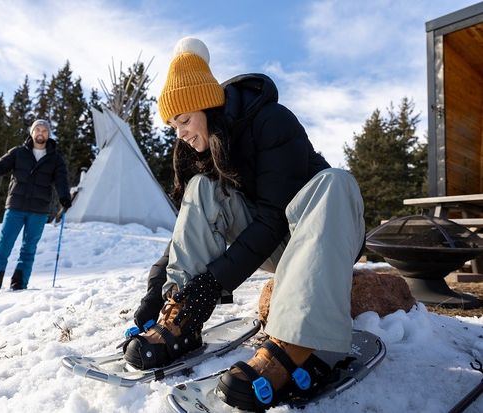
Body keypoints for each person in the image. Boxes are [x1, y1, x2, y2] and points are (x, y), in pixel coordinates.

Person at [122, 38, 365, 410]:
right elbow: (188, 229)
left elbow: (271, 218)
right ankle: (181, 320)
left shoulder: (272, 121)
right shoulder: (206, 147)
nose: (180, 133)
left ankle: (299, 341)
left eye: (184, 120)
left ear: (206, 105)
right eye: (173, 126)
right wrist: (158, 293)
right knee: (203, 187)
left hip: (321, 235)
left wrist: (213, 282)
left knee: (335, 181)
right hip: (275, 248)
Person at [0, 119, 72, 294]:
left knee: (28, 249)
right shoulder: (18, 153)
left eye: (44, 130)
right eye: (37, 130)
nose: (41, 133)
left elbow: (61, 180)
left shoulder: (55, 158)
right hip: (16, 207)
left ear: (48, 134)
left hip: (39, 210)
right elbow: (0, 166)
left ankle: (19, 284)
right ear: (32, 133)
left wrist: (65, 197)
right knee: (3, 245)